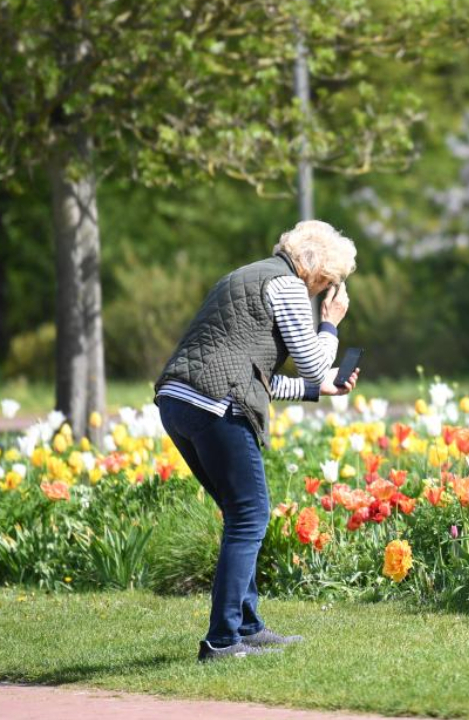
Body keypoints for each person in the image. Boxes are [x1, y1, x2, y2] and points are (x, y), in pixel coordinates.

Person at [154, 220, 360, 662]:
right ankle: (222, 641)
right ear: (313, 263)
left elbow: (254, 377)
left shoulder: (243, 276)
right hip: (214, 404)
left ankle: (246, 626)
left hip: (179, 400)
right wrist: (331, 326)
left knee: (239, 512)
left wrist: (319, 389)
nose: (325, 287)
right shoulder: (285, 284)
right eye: (328, 278)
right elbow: (310, 362)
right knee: (251, 514)